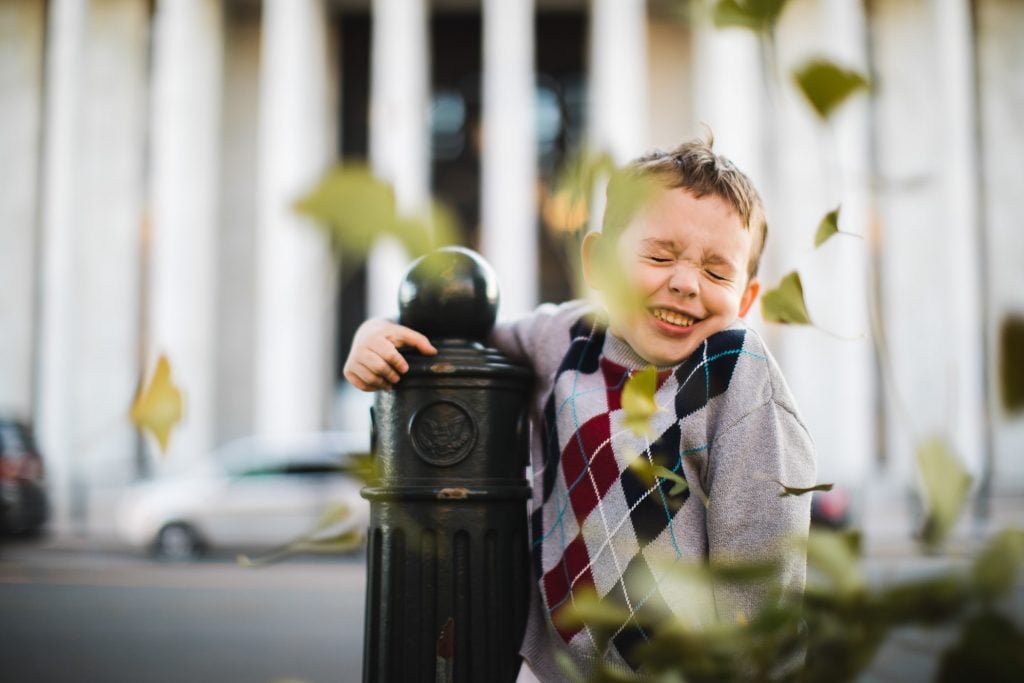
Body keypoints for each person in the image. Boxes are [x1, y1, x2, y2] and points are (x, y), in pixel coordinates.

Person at [344, 133, 816, 681]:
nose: (686, 284)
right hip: (551, 667)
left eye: (716, 273)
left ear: (746, 299)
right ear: (598, 262)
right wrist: (375, 331)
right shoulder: (565, 335)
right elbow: (458, 336)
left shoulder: (736, 369)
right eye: (659, 255)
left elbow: (763, 570)